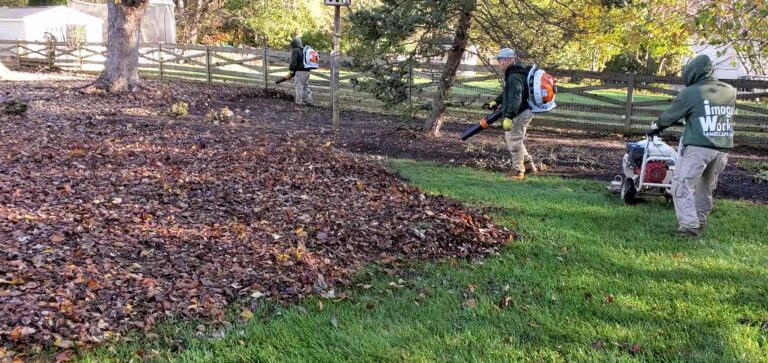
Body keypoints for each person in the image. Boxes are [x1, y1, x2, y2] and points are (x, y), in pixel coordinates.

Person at [649, 54, 736, 237]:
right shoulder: (729, 91)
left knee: (681, 185)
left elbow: (669, 117)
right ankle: (701, 221)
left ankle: (689, 227)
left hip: (698, 148)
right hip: (721, 149)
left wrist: (655, 127)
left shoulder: (692, 92)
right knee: (706, 188)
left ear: (692, 73)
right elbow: (708, 114)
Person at [483, 48, 536, 181]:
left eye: (500, 60)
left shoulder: (514, 76)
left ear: (506, 60)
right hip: (522, 111)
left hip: (519, 112)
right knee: (514, 138)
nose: (499, 63)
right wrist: (496, 101)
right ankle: (528, 165)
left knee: (514, 140)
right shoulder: (515, 72)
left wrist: (509, 116)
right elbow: (508, 93)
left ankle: (517, 172)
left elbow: (515, 98)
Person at [289, 36, 313, 106]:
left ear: (294, 44)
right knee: (305, 86)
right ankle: (309, 101)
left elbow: (293, 62)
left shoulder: (296, 50)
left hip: (300, 71)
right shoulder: (305, 50)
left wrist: (291, 68)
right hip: (307, 71)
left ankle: (298, 102)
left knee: (299, 86)